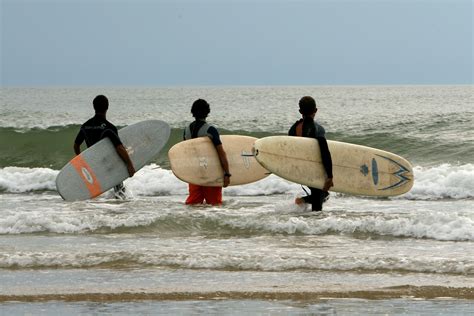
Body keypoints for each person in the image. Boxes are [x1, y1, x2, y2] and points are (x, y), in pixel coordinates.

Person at [73, 95, 135, 199]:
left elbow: (76, 145)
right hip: (109, 163)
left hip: (94, 164)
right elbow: (119, 148)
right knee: (119, 190)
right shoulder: (109, 128)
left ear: (94, 107)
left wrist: (81, 161)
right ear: (107, 107)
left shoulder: (85, 126)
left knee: (96, 189)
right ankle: (120, 205)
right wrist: (129, 164)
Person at [289, 96, 334, 211]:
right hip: (314, 169)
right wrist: (329, 176)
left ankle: (302, 202)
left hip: (299, 169)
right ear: (316, 110)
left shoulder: (293, 129)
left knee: (322, 195)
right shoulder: (317, 129)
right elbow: (325, 152)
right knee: (319, 199)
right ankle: (314, 224)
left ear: (300, 112)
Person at [183, 99, 230, 205]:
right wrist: (227, 173)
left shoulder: (186, 130)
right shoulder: (210, 130)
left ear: (193, 113)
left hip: (194, 173)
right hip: (210, 172)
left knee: (193, 205)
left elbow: (184, 153)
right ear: (207, 112)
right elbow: (221, 153)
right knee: (214, 205)